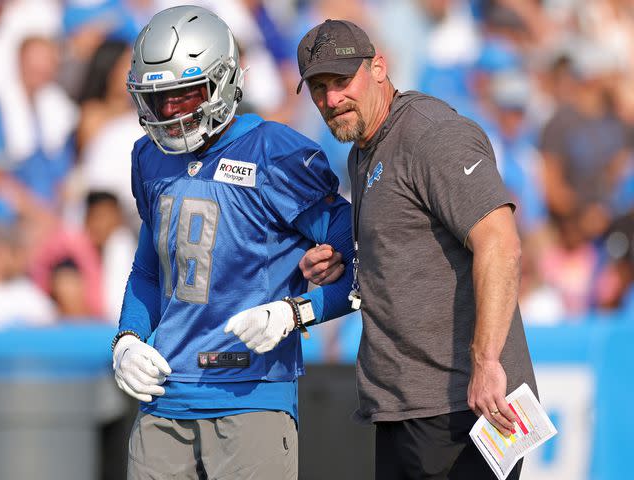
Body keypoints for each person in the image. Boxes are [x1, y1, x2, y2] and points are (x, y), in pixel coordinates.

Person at [277, 19, 537, 479]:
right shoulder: (364, 149)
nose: (331, 99)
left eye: (341, 80)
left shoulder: (431, 134)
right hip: (405, 407)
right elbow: (410, 251)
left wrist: (487, 362)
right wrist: (349, 264)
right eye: (318, 88)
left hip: (465, 406)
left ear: (379, 66)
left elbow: (501, 243)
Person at [110, 6, 354, 480]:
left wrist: (295, 312)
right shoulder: (148, 157)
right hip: (164, 398)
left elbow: (363, 258)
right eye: (160, 100)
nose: (172, 113)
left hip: (251, 397)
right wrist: (127, 338)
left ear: (222, 82)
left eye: (185, 95)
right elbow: (149, 268)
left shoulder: (277, 153)